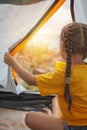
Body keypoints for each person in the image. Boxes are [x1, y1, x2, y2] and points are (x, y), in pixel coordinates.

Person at [4, 22, 87, 130]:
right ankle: (55, 118)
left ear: (62, 46)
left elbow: (31, 80)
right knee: (56, 99)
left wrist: (13, 63)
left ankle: (54, 119)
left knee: (30, 117)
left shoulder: (63, 76)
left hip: (74, 127)